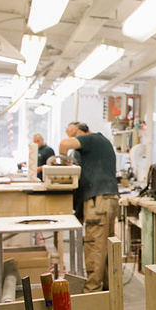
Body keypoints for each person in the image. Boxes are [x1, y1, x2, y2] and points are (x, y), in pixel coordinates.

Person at [59, 122, 119, 293]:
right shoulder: (98, 145)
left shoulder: (92, 139)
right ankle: (109, 290)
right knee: (106, 247)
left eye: (74, 134)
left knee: (95, 246)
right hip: (105, 199)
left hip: (99, 201)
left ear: (82, 131)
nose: (72, 139)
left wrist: (64, 167)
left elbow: (63, 145)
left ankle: (91, 292)